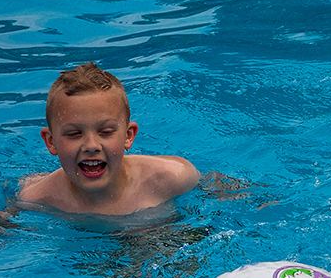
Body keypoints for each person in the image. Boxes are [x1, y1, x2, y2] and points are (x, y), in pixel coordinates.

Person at [16, 62, 199, 217]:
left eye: (105, 131)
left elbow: (218, 191)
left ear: (128, 136)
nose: (91, 146)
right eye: (74, 134)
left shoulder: (173, 177)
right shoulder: (37, 199)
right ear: (50, 141)